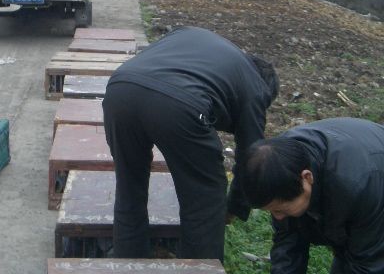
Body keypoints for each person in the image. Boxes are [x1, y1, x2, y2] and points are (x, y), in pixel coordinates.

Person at [102, 26, 279, 261]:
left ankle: (128, 262)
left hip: (120, 90)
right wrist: (234, 207)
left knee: (129, 187)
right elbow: (251, 156)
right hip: (179, 102)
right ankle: (200, 265)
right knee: (205, 198)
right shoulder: (256, 86)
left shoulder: (204, 43)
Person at [241, 117, 384, 273]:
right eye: (271, 210)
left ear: (307, 178)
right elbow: (288, 244)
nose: (278, 217)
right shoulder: (277, 166)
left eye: (280, 210)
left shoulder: (357, 186)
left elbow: (369, 263)